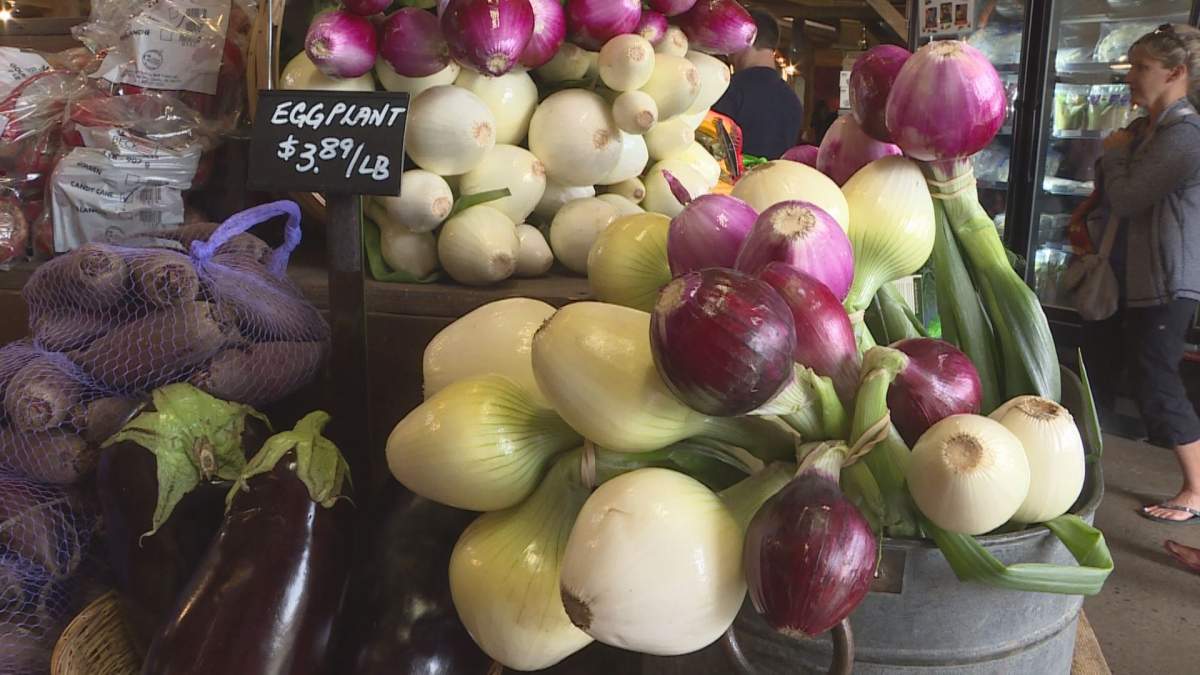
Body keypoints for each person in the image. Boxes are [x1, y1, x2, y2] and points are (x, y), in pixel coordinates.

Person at [1085, 24, 1200, 524]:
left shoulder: (1183, 136)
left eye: (1141, 68)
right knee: (1130, 371)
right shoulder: (1151, 130)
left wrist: (1113, 157)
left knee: (1157, 379)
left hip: (1168, 280)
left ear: (1176, 73)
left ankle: (1197, 489)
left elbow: (1129, 197)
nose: (1130, 77)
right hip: (1141, 277)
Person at [712, 10, 803, 160]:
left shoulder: (727, 90)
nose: (729, 50)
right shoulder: (793, 101)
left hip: (731, 182)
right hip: (778, 181)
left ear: (748, 37)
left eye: (733, 39)